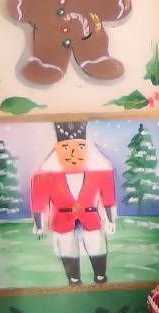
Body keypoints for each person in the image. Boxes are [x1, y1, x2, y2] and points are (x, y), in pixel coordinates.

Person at [30, 121, 116, 284]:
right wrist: (39, 224)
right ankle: (74, 279)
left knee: (96, 245)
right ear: (57, 150)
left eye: (80, 147)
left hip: (91, 218)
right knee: (67, 248)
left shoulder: (100, 173)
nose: (73, 153)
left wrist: (111, 220)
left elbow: (108, 196)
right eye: (65, 148)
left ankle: (100, 275)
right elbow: (39, 201)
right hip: (62, 221)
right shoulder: (46, 175)